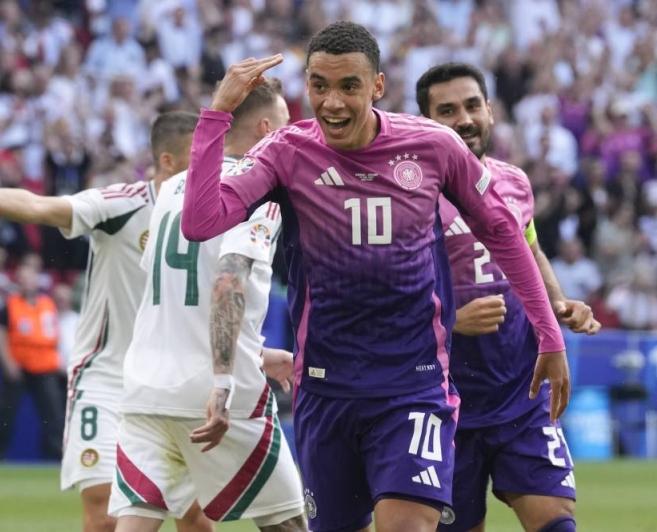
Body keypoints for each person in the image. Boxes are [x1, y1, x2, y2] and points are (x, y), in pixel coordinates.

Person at [180, 21, 570, 532]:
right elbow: (201, 221)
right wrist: (217, 113)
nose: (332, 102)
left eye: (349, 86)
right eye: (319, 85)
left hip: (414, 385)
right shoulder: (285, 151)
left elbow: (503, 231)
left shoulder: (433, 146)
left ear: (378, 86)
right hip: (325, 390)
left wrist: (549, 334)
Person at [0, 112, 213, 532]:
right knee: (103, 515)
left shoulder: (215, 213)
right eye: (200, 155)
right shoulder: (121, 205)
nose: (211, 165)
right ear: (168, 161)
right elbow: (39, 206)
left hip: (172, 382)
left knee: (195, 519)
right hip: (107, 380)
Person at [112, 78, 306, 532]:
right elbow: (227, 279)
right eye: (286, 126)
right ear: (266, 130)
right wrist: (223, 380)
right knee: (289, 523)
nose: (293, 136)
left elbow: (180, 297)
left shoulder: (172, 188)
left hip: (145, 391)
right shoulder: (258, 189)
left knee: (136, 523)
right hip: (216, 395)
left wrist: (258, 354)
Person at [415, 62, 601, 532]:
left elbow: (530, 251)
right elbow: (385, 286)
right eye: (447, 111)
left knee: (557, 520)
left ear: (491, 111)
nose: (464, 119)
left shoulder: (514, 181)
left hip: (523, 389)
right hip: (445, 401)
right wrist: (451, 320)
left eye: (472, 105)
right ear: (426, 123)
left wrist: (558, 303)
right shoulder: (411, 197)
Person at [0, 263, 65, 461]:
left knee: (53, 413)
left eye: (30, 278)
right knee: (6, 413)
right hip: (19, 365)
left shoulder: (47, 304)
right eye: (22, 279)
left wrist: (59, 359)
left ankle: (55, 455)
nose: (26, 283)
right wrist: (7, 362)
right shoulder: (11, 304)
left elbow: (55, 333)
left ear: (37, 281)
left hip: (45, 365)